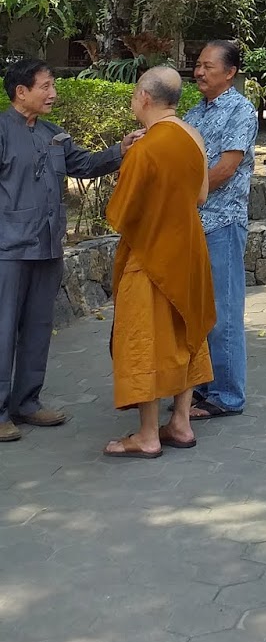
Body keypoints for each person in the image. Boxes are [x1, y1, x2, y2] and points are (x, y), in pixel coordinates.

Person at [1, 58, 140, 442]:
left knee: (38, 326)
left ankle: (27, 403)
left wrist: (120, 149)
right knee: (1, 329)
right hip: (8, 247)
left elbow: (84, 164)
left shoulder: (53, 134)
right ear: (21, 91)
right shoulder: (0, 130)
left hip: (47, 244)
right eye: (45, 86)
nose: (53, 94)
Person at [103, 67, 216, 459]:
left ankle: (148, 434)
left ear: (145, 98)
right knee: (186, 330)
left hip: (150, 254)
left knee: (145, 339)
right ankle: (180, 422)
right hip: (189, 248)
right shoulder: (193, 136)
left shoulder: (146, 147)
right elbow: (201, 195)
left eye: (134, 95)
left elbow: (120, 212)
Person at [183, 41, 257, 420]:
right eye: (197, 65)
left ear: (229, 73)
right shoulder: (195, 113)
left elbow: (227, 168)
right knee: (198, 310)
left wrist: (183, 194)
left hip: (222, 223)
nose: (199, 72)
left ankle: (227, 395)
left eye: (207, 66)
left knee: (224, 311)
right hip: (193, 225)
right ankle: (201, 386)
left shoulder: (241, 111)